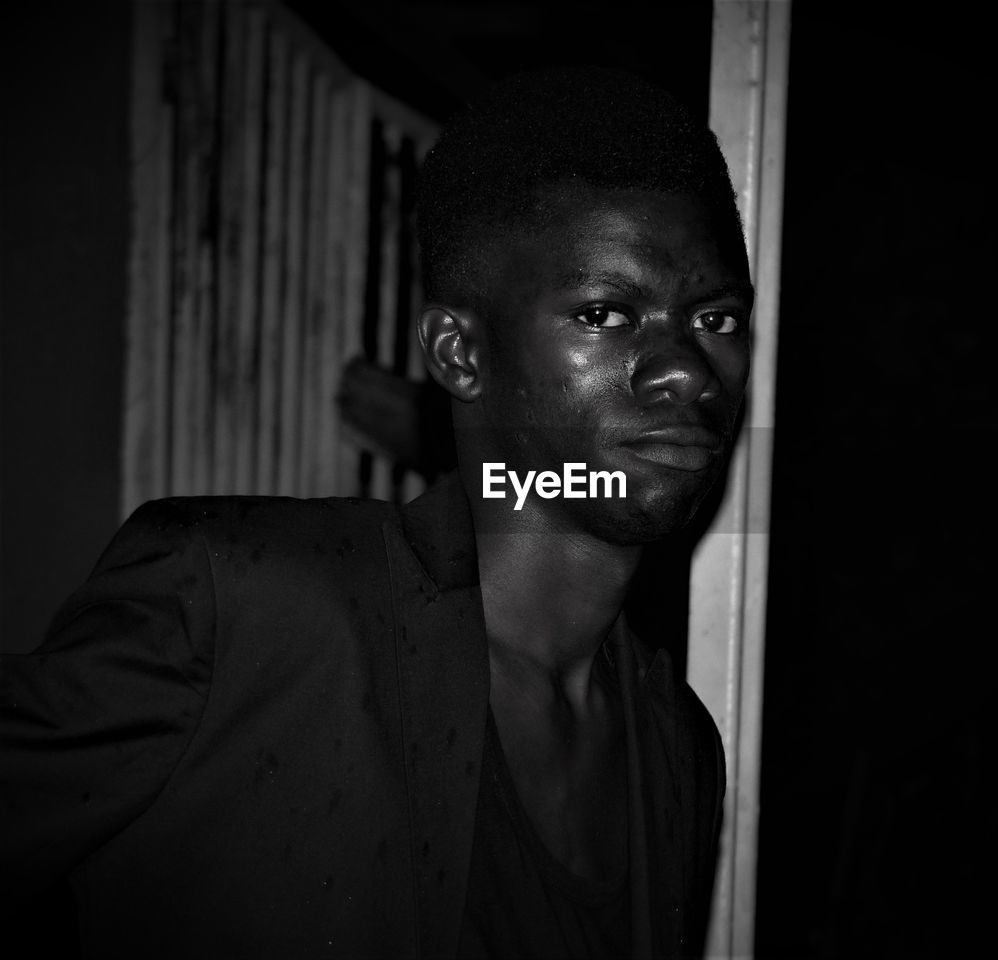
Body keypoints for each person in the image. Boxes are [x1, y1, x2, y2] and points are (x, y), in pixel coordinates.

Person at [1, 68, 752, 960]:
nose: (689, 373)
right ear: (459, 353)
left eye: (717, 319)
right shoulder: (238, 611)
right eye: (606, 313)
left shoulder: (676, 746)